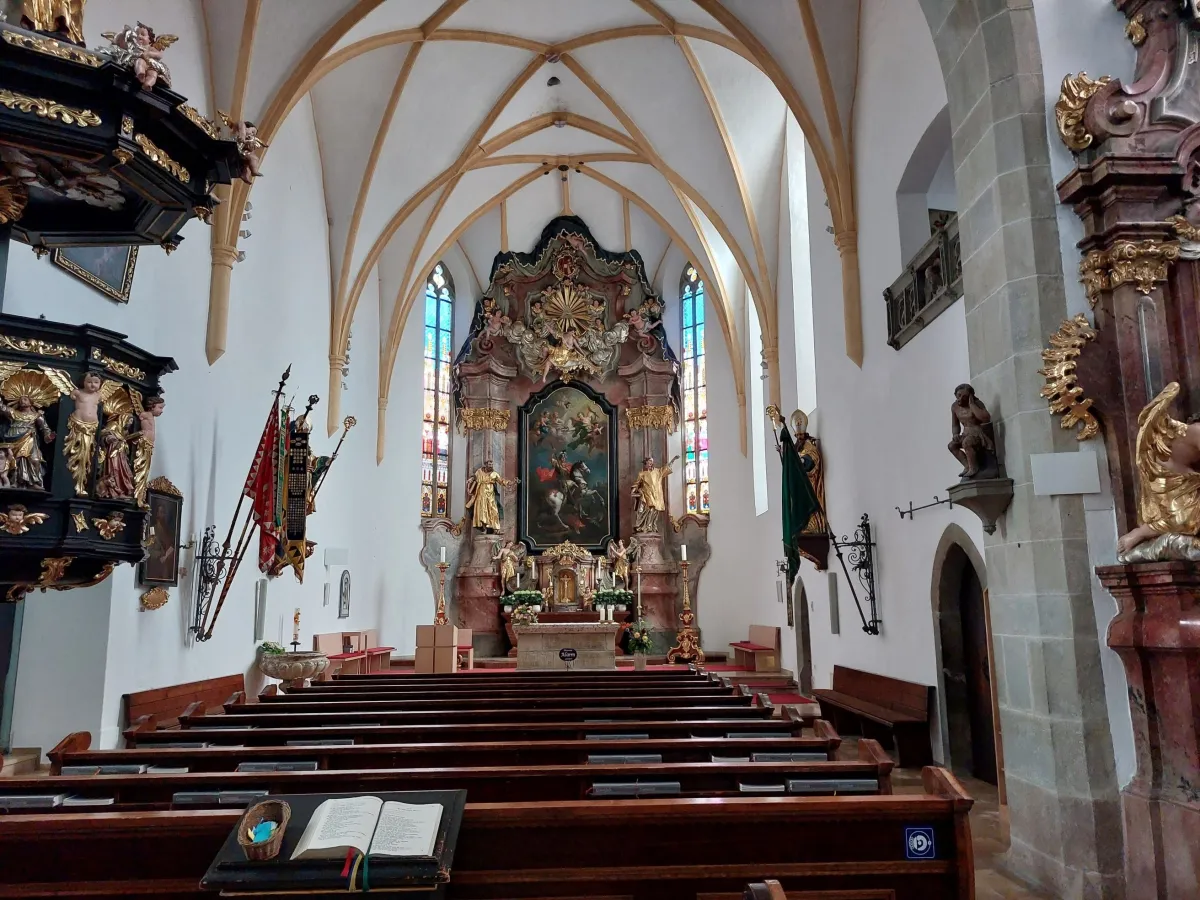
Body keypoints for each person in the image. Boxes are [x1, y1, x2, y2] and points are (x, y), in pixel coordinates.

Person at [0, 394, 55, 490]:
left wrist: (49, 436)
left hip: (29, 440)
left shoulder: (36, 416)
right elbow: (3, 408)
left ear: (31, 402)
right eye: (20, 399)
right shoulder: (14, 412)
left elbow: (45, 429)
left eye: (25, 399)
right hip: (14, 441)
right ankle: (14, 481)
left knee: (35, 460)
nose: (22, 401)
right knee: (14, 461)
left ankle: (33, 482)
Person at [948, 383, 994, 479]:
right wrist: (955, 434)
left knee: (967, 443)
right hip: (966, 433)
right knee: (952, 445)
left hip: (978, 433)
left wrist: (972, 404)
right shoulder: (955, 407)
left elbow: (985, 418)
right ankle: (967, 465)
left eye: (964, 397)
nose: (960, 399)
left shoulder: (977, 404)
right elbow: (955, 424)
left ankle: (974, 468)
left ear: (970, 397)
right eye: (959, 395)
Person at [632, 454, 679, 533]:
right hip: (647, 495)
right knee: (649, 509)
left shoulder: (658, 472)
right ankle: (645, 527)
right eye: (649, 462)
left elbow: (666, 468)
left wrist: (673, 460)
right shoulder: (642, 474)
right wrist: (633, 491)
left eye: (651, 462)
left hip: (657, 495)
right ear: (645, 464)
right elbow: (636, 483)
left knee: (655, 511)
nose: (650, 464)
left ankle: (651, 526)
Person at [465, 460, 516, 533]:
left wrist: (512, 482)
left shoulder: (494, 474)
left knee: (493, 510)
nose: (491, 466)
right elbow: (474, 477)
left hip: (490, 495)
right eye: (489, 464)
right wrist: (471, 479)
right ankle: (484, 528)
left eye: (491, 464)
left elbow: (502, 481)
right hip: (480, 494)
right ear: (485, 465)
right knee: (481, 511)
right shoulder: (479, 471)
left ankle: (496, 529)